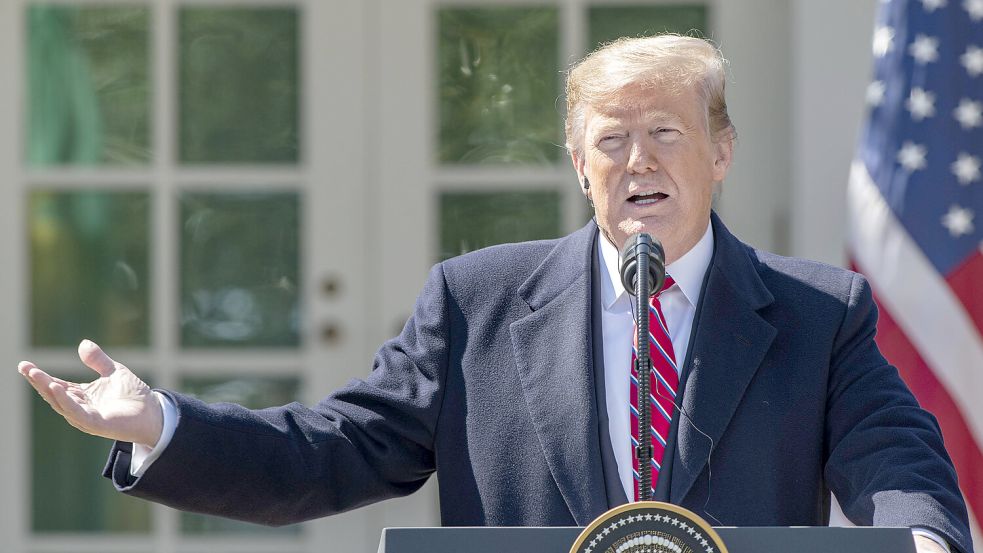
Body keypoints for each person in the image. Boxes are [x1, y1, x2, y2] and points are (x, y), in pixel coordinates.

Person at [19, 35, 972, 553]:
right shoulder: (476, 302)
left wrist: (922, 543)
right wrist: (162, 428)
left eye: (665, 133)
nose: (636, 159)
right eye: (610, 138)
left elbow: (895, 462)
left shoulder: (817, 312)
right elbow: (338, 450)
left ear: (719, 151)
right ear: (575, 160)